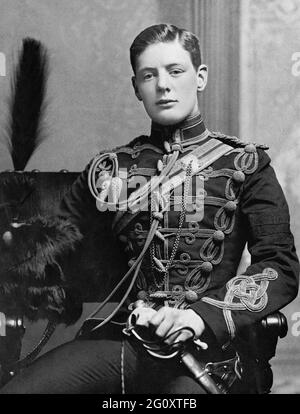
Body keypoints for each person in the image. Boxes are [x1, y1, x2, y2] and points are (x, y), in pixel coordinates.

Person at [0, 23, 299, 394]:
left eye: (176, 71)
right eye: (149, 75)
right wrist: (19, 230)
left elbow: (278, 266)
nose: (163, 85)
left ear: (199, 77)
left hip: (208, 348)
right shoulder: (110, 170)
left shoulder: (245, 165)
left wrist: (199, 317)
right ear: (136, 87)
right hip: (127, 338)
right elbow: (59, 249)